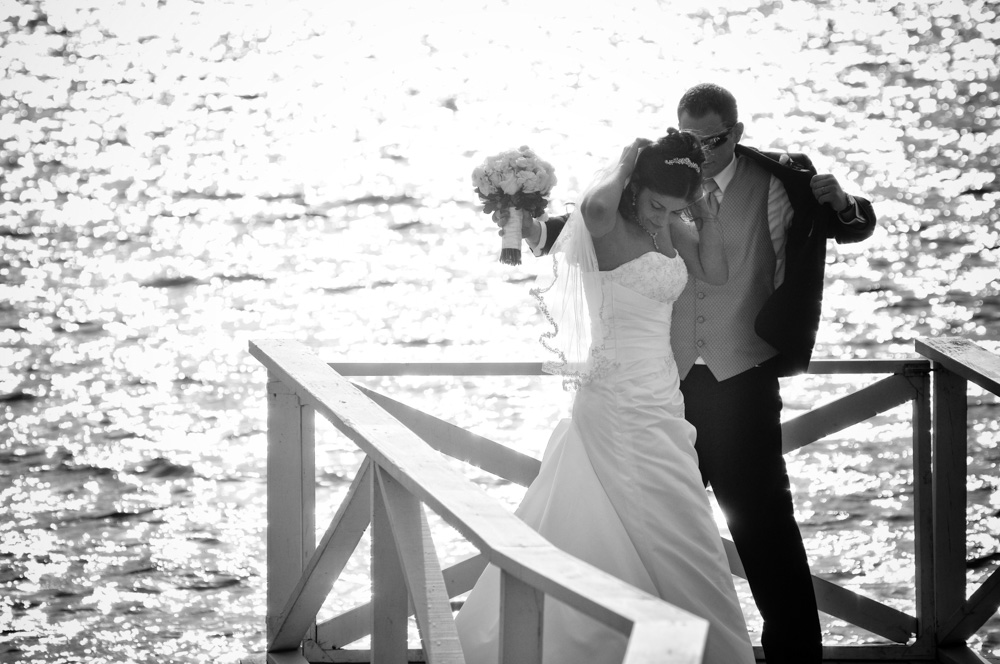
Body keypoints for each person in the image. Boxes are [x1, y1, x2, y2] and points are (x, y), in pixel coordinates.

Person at [514, 83, 878, 664]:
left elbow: (850, 226)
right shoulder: (660, 185)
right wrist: (525, 224)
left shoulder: (780, 181)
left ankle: (794, 657)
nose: (704, 149)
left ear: (736, 131)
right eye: (693, 137)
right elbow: (594, 229)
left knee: (763, 527)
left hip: (742, 377)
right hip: (664, 384)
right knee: (657, 527)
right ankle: (648, 647)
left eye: (715, 138)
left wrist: (844, 204)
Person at [455, 129, 756, 664]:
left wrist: (704, 215)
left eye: (675, 208)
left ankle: (663, 645)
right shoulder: (604, 224)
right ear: (636, 186)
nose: (664, 216)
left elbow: (717, 271)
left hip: (661, 395)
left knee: (677, 522)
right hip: (617, 398)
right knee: (661, 521)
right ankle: (675, 647)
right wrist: (629, 157)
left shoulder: (669, 231)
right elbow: (596, 201)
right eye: (658, 203)